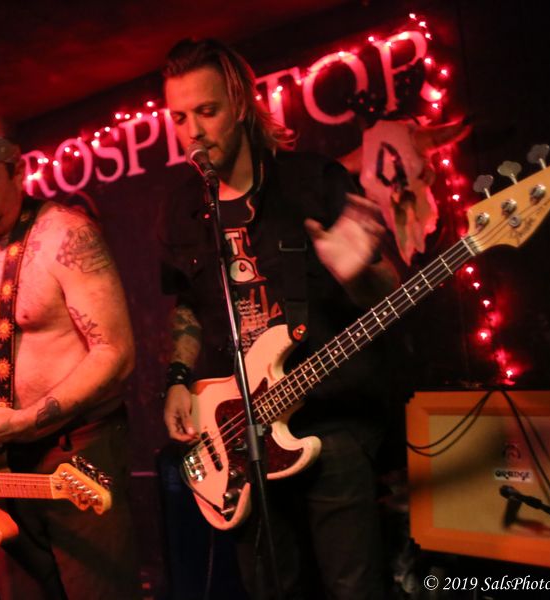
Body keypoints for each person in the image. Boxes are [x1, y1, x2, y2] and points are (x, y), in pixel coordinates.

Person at [159, 39, 400, 600]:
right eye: (179, 117)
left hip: (329, 417)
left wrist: (358, 272)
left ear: (241, 104)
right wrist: (178, 379)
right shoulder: (179, 209)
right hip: (239, 432)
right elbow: (187, 306)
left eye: (206, 111)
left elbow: (388, 289)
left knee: (355, 588)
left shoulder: (311, 180)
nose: (193, 131)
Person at [0, 105, 140, 600]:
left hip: (75, 451)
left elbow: (116, 352)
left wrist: (26, 420)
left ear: (18, 170)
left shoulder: (67, 234)